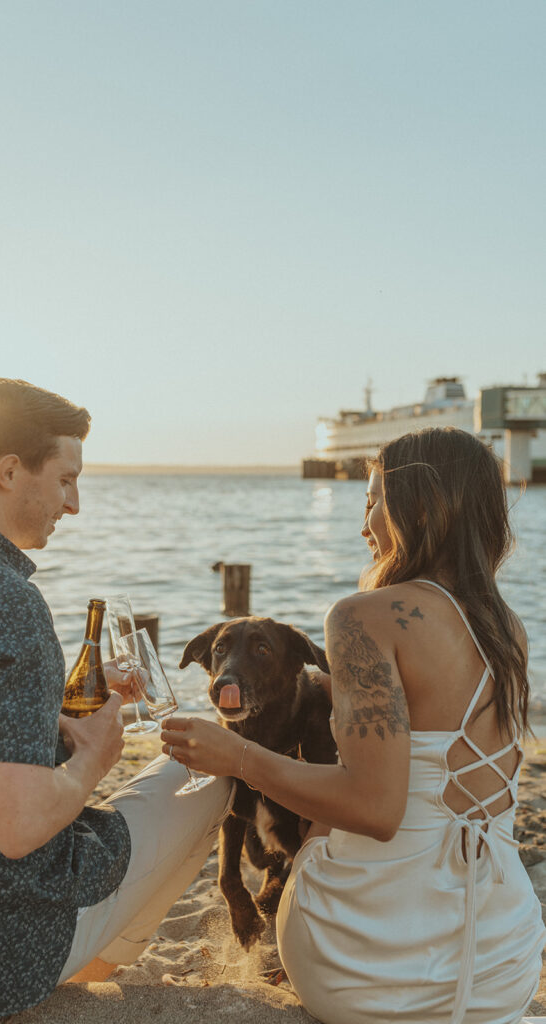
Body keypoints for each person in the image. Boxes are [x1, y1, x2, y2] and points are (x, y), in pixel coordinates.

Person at [0, 378, 232, 1024]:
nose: (75, 503)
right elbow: (16, 829)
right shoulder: (6, 597)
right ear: (8, 472)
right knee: (210, 772)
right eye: (66, 479)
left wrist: (59, 706)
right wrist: (94, 759)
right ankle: (76, 972)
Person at [163, 426, 545, 1024]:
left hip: (374, 963)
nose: (364, 524)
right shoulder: (507, 627)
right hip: (503, 957)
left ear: (416, 507)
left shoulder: (364, 617)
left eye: (372, 503)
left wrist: (232, 756)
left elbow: (375, 809)